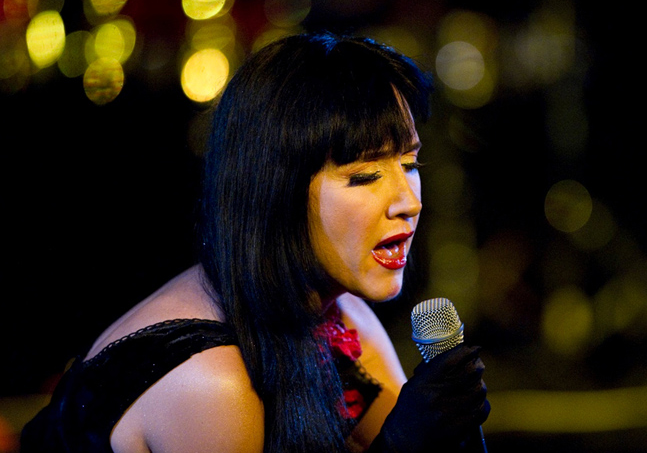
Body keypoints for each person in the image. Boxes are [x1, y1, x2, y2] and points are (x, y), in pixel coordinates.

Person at [21, 32, 490, 452]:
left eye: (409, 165)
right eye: (366, 175)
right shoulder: (211, 381)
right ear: (277, 190)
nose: (409, 201)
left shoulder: (341, 316)